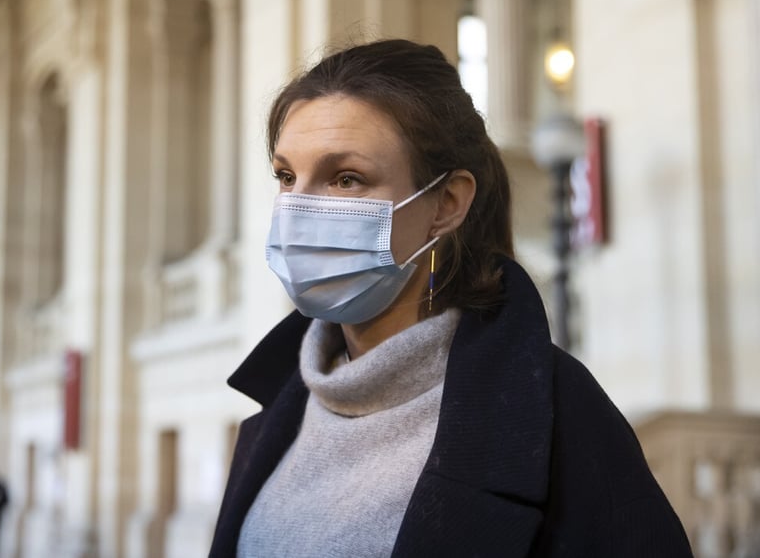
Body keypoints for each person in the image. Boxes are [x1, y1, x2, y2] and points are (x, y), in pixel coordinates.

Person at [209, 40, 692, 557]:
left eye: (346, 178)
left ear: (447, 203)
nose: (298, 210)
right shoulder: (274, 416)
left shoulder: (560, 413)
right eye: (287, 176)